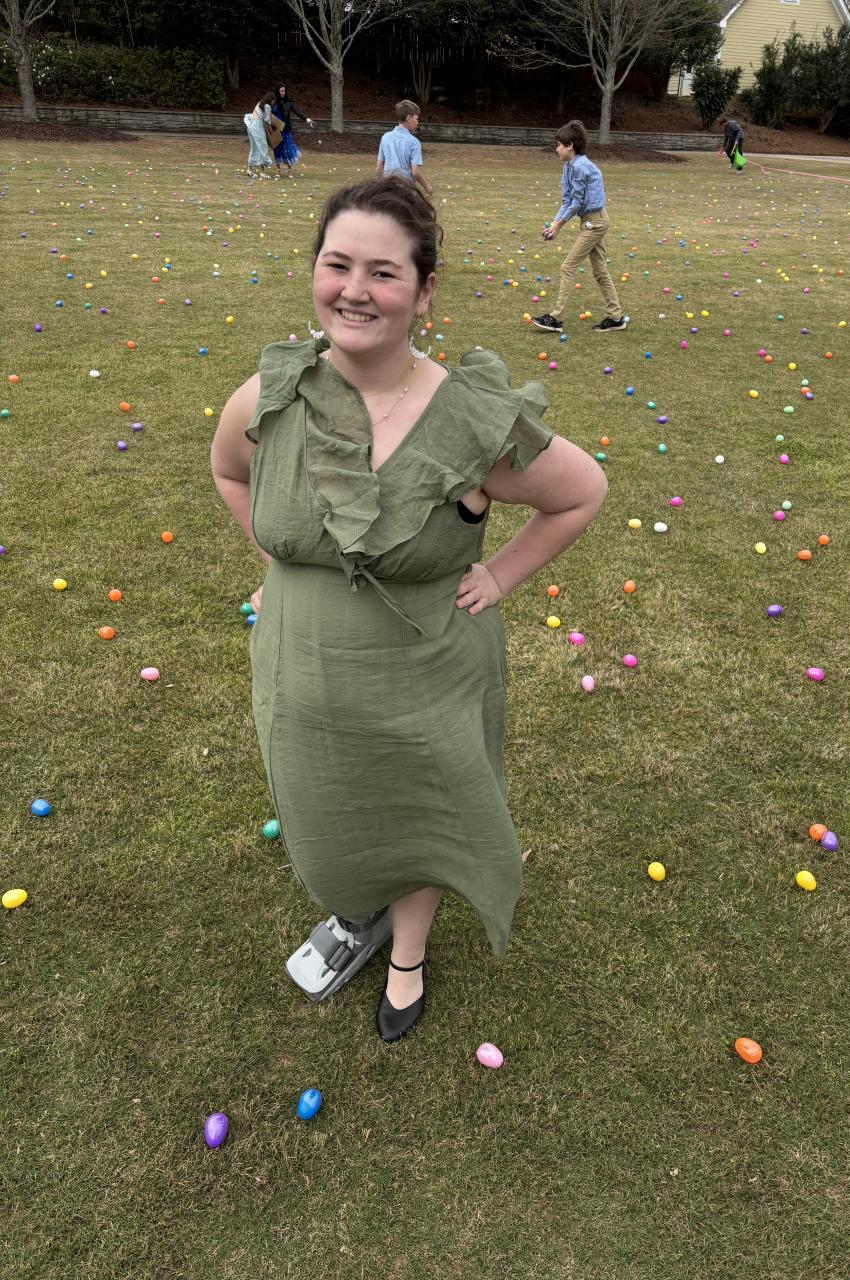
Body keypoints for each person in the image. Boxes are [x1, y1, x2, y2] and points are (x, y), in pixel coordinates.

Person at [211, 177, 607, 1043]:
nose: (354, 290)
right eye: (337, 264)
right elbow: (230, 473)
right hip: (300, 673)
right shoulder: (272, 395)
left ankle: (408, 951)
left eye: (383, 273)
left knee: (421, 812)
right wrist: (280, 560)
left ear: (424, 293)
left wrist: (498, 575)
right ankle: (360, 906)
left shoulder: (468, 421)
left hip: (426, 675)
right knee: (333, 809)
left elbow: (581, 491)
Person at [532, 119, 626, 335]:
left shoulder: (581, 167)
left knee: (567, 267)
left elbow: (577, 202)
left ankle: (555, 318)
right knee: (600, 270)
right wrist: (554, 223)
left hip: (595, 223)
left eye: (559, 145)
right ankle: (616, 318)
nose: (556, 149)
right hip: (591, 222)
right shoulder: (569, 167)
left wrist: (559, 225)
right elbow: (567, 200)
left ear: (570, 146)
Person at [377, 99, 432, 198]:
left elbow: (379, 168)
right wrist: (427, 187)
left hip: (388, 189)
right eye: (416, 119)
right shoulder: (414, 142)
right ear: (409, 118)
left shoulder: (385, 137)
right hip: (406, 191)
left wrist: (381, 188)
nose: (418, 122)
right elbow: (415, 172)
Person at [272, 83, 316, 176]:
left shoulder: (288, 102)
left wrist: (306, 119)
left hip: (285, 129)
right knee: (277, 149)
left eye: (284, 91)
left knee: (287, 148)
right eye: (281, 91)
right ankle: (278, 171)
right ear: (277, 91)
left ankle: (289, 170)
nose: (283, 93)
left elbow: (297, 111)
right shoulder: (273, 102)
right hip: (275, 129)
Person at [243, 93, 275, 179]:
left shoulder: (260, 103)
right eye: (273, 101)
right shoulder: (267, 106)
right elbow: (267, 123)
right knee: (263, 148)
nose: (274, 103)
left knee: (254, 148)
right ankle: (262, 172)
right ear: (271, 99)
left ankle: (249, 170)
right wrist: (273, 135)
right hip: (258, 127)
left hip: (251, 126)